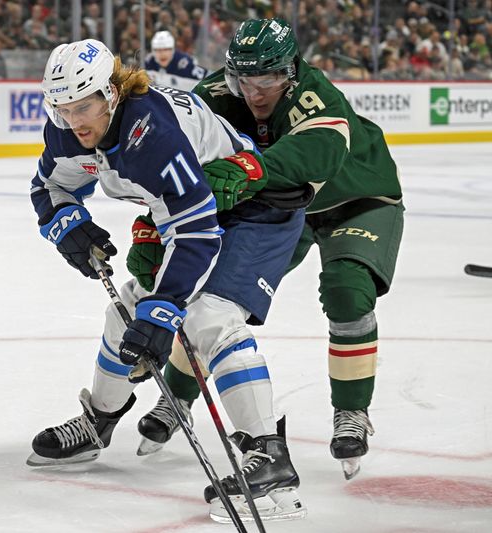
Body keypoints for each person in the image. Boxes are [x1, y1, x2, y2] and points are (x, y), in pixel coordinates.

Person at [27, 38, 306, 521]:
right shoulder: (67, 131)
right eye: (63, 108)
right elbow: (49, 186)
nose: (76, 121)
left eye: (85, 106)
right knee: (125, 315)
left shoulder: (150, 132)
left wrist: (166, 307)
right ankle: (99, 423)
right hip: (191, 211)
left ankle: (271, 460)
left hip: (256, 208)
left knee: (208, 315)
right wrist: (67, 223)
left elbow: (197, 229)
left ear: (112, 93)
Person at [134, 18, 404, 483]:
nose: (255, 93)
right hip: (284, 207)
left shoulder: (315, 95)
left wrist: (251, 167)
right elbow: (173, 155)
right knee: (213, 295)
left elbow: (319, 152)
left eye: (268, 80)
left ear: (292, 71)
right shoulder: (217, 93)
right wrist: (151, 219)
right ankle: (176, 396)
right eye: (245, 80)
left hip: (358, 196)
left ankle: (352, 412)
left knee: (347, 290)